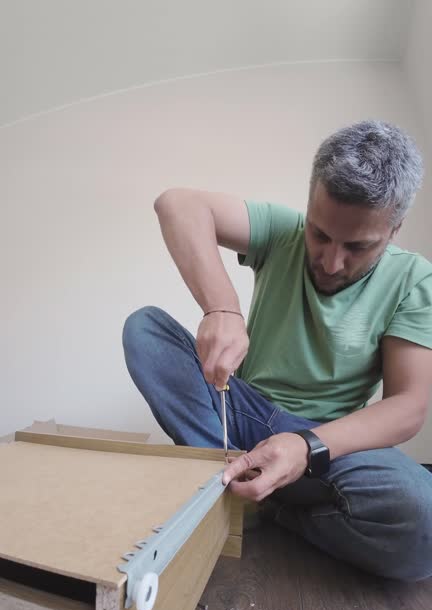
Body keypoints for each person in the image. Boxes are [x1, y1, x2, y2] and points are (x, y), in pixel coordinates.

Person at [123, 120, 432, 581]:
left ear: (393, 230)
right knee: (145, 329)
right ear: (309, 203)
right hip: (242, 411)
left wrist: (306, 446)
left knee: (424, 522)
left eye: (357, 247)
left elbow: (409, 407)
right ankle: (224, 478)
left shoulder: (414, 280)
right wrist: (221, 308)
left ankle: (273, 512)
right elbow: (177, 203)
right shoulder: (283, 232)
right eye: (321, 234)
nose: (330, 262)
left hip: (328, 442)